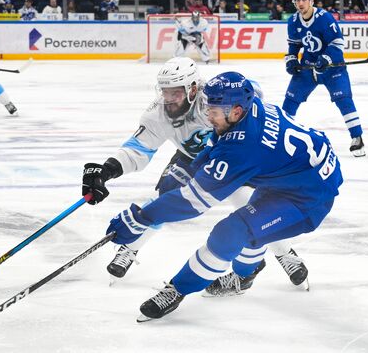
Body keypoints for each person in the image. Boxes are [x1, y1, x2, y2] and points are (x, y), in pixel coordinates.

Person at [104, 71, 343, 321]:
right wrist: (195, 167)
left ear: (236, 111)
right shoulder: (250, 107)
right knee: (251, 225)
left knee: (232, 231)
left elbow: (193, 203)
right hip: (293, 174)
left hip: (309, 196)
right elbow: (219, 143)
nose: (208, 116)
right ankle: (247, 273)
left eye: (214, 111)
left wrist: (140, 217)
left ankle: (178, 289)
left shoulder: (243, 149)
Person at [82, 57, 310, 293]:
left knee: (253, 207)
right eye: (165, 92)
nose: (168, 99)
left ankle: (284, 252)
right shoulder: (157, 115)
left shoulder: (216, 99)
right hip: (192, 159)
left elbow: (252, 95)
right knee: (162, 200)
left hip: (231, 158)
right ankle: (130, 247)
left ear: (193, 88)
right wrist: (107, 169)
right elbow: (137, 149)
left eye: (175, 92)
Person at [283, 0, 365, 157]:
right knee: (290, 100)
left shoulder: (324, 18)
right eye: (297, 0)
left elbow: (337, 43)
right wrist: (291, 59)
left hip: (332, 67)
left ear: (311, 0)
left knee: (344, 100)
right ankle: (280, 137)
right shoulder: (293, 21)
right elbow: (294, 45)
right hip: (308, 66)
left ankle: (357, 137)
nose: (300, 3)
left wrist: (326, 59)